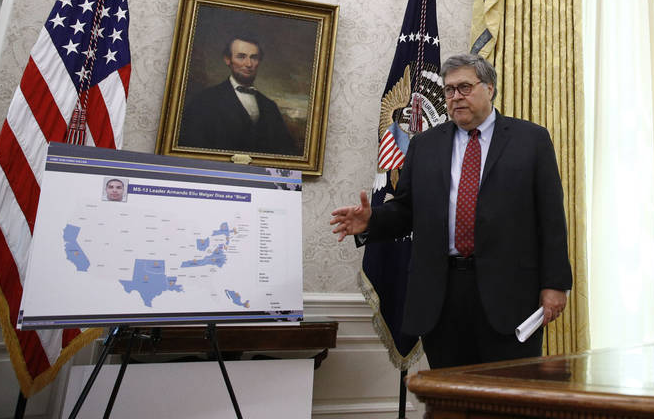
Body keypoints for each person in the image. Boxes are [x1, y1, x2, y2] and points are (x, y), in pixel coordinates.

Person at [330, 53, 572, 368]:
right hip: (441, 296)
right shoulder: (424, 145)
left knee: (507, 398)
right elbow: (406, 210)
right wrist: (371, 220)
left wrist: (554, 284)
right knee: (448, 398)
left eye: (464, 87)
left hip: (510, 295)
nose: (455, 97)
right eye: (449, 90)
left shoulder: (531, 140)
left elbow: (551, 220)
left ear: (490, 88)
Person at [179, 35, 298, 155]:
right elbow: (191, 149)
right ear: (227, 59)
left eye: (254, 57)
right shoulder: (204, 100)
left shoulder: (270, 107)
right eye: (241, 57)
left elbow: (287, 152)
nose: (249, 64)